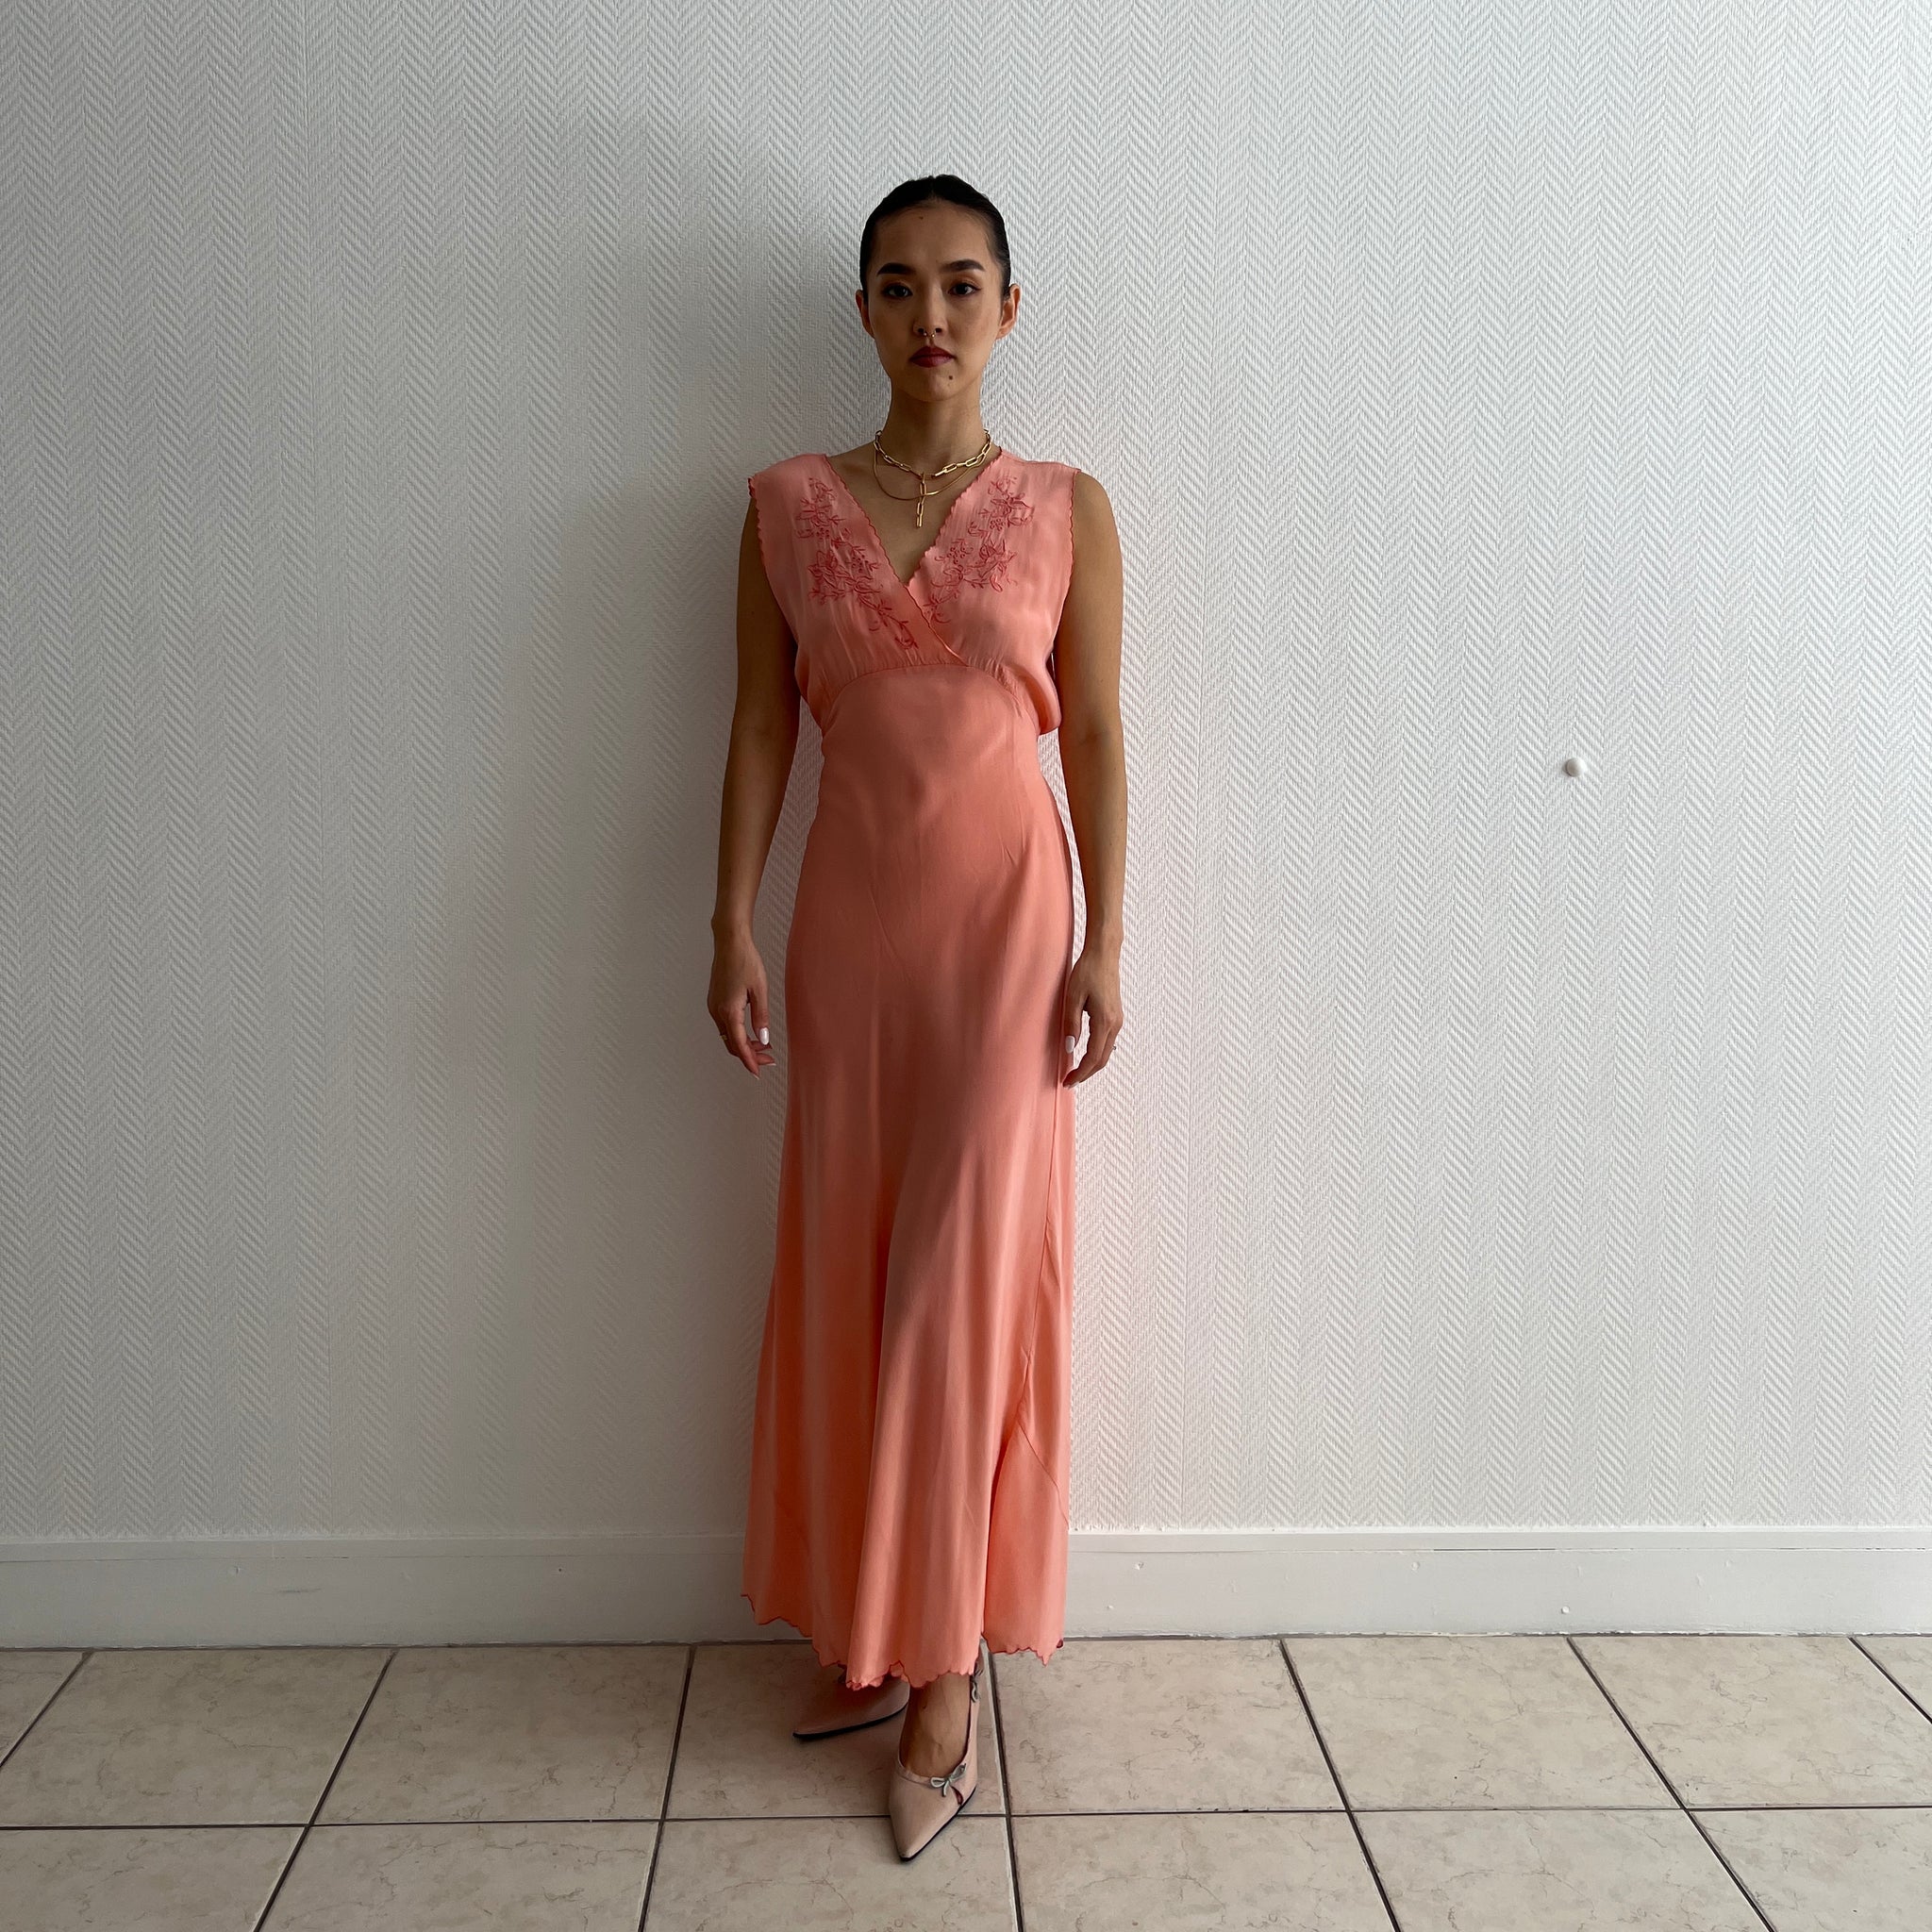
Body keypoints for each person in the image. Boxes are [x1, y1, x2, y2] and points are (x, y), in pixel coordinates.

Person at [708, 174, 1126, 1860]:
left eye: (962, 283)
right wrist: (728, 918)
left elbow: (1097, 729)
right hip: (850, 936)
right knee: (851, 1263)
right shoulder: (782, 506)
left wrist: (1109, 937)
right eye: (898, 285)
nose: (931, 313)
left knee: (965, 1286)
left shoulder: (1070, 507)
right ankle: (867, 1629)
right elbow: (759, 729)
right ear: (866, 312)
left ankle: (947, 1668)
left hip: (1010, 933)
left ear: (1009, 309)